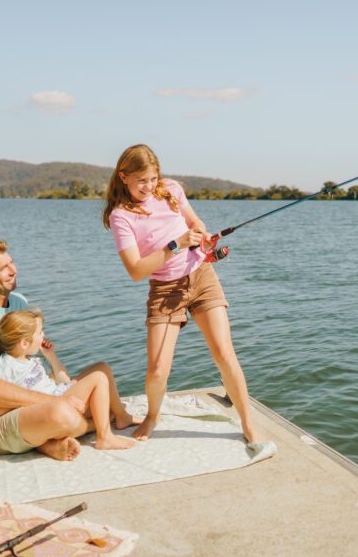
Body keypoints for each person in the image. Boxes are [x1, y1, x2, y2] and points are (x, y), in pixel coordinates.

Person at [104, 144, 262, 443]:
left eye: (152, 179)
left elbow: (195, 221)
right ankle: (152, 416)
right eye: (141, 181)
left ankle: (248, 423)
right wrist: (175, 244)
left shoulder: (171, 189)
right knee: (158, 370)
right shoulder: (121, 215)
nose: (148, 187)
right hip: (165, 290)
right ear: (123, 177)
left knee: (224, 354)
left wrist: (200, 233)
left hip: (201, 276)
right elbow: (136, 270)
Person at [0, 239, 138, 462]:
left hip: (22, 408)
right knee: (64, 413)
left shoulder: (17, 302)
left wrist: (57, 386)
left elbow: (27, 365)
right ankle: (58, 438)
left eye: (11, 263)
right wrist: (55, 401)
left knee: (100, 373)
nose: (13, 270)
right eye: (2, 268)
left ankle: (49, 441)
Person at [0, 306, 134, 450]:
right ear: (24, 343)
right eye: (39, 332)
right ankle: (104, 437)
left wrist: (50, 355)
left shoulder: (30, 358)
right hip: (55, 405)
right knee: (98, 378)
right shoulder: (6, 365)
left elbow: (64, 380)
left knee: (102, 367)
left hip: (60, 393)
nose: (43, 335)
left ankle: (121, 417)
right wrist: (24, 401)